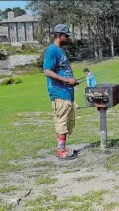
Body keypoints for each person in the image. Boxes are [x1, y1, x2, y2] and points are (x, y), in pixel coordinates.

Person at [43, 24, 79, 160]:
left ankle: (62, 147)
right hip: (59, 92)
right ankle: (61, 151)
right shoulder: (52, 50)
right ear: (59, 35)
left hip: (67, 92)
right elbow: (47, 70)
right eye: (66, 35)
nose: (68, 38)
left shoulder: (60, 51)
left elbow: (62, 70)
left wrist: (72, 81)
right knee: (61, 122)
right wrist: (65, 80)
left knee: (66, 122)